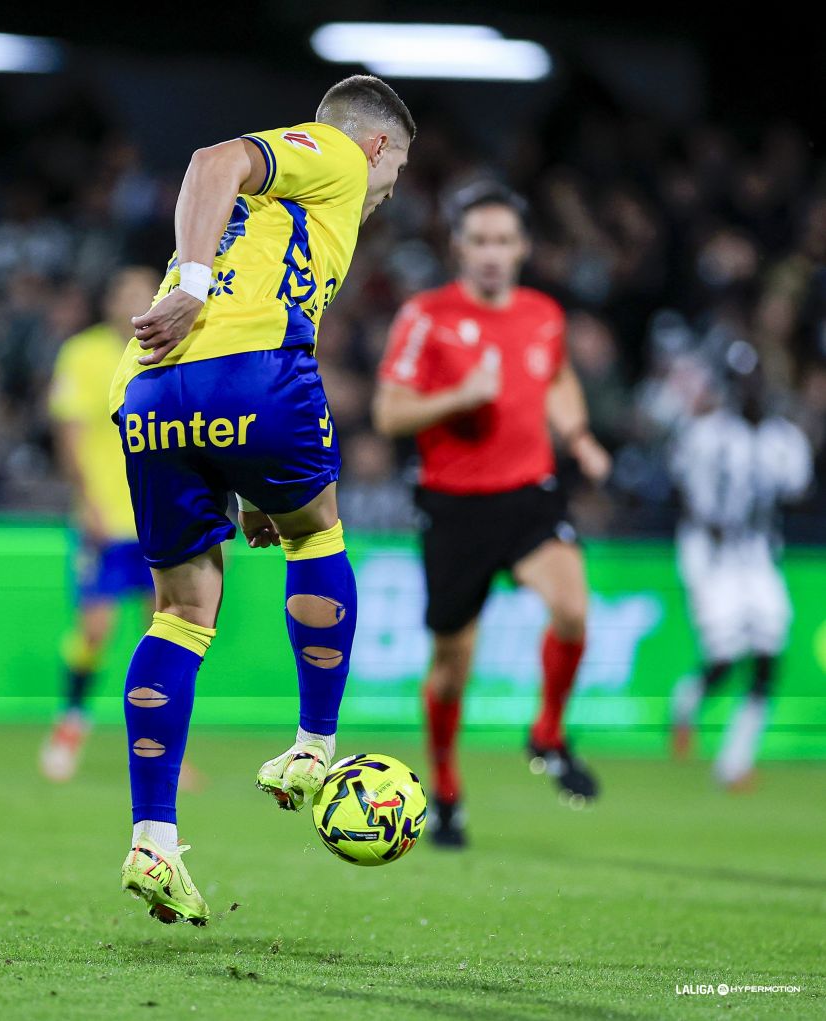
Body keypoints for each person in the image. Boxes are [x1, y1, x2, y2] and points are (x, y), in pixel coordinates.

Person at [111, 76, 414, 924]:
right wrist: (195, 285)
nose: (389, 192)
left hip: (146, 389)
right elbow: (213, 161)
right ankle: (315, 748)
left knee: (181, 610)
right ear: (382, 145)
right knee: (316, 536)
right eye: (400, 170)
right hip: (248, 363)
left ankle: (153, 840)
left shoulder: (294, 217)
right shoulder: (343, 160)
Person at [373, 183, 610, 848]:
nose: (492, 253)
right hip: (453, 508)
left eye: (505, 240)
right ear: (458, 245)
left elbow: (556, 376)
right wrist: (458, 395)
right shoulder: (425, 316)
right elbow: (389, 412)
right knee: (452, 666)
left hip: (529, 495)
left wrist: (581, 435)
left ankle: (549, 731)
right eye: (480, 239)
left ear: (524, 247)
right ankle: (446, 785)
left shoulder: (542, 313)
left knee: (572, 607)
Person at [670, 345, 812, 788]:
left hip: (759, 556)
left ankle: (735, 760)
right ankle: (688, 700)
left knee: (769, 653)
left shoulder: (783, 439)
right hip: (716, 554)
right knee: (726, 654)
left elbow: (797, 490)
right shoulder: (707, 434)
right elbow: (685, 490)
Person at [41, 268, 158, 782]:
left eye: (143, 292)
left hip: (159, 517)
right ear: (109, 300)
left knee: (164, 635)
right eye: (124, 291)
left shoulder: (175, 346)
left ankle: (161, 746)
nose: (133, 301)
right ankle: (70, 725)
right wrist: (86, 503)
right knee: (96, 630)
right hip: (106, 518)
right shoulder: (83, 353)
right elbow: (68, 434)